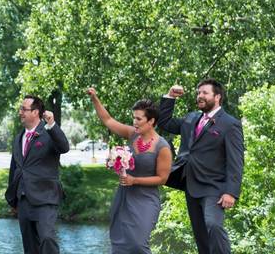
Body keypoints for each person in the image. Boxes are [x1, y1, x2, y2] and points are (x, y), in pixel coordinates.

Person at [158, 80, 244, 254]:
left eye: (205, 93)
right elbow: (164, 123)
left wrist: (231, 192)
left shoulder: (230, 124)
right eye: (198, 93)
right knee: (201, 236)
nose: (200, 96)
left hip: (214, 188)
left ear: (217, 97)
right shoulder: (191, 118)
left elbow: (236, 161)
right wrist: (170, 97)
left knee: (213, 225)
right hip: (191, 185)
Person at [87, 88, 172, 253]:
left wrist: (135, 180)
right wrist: (94, 98)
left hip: (146, 201)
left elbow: (162, 179)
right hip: (125, 198)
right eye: (133, 118)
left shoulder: (162, 147)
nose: (134, 122)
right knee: (119, 244)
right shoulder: (132, 134)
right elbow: (108, 120)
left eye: (138, 118)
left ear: (151, 121)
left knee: (138, 245)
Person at [4, 95, 71, 254]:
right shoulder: (18, 138)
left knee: (47, 237)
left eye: (24, 109)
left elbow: (64, 147)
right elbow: (15, 168)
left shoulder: (49, 132)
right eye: (20, 109)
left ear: (35, 112)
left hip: (45, 197)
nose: (20, 112)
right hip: (23, 199)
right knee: (29, 246)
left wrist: (52, 124)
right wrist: (13, 199)